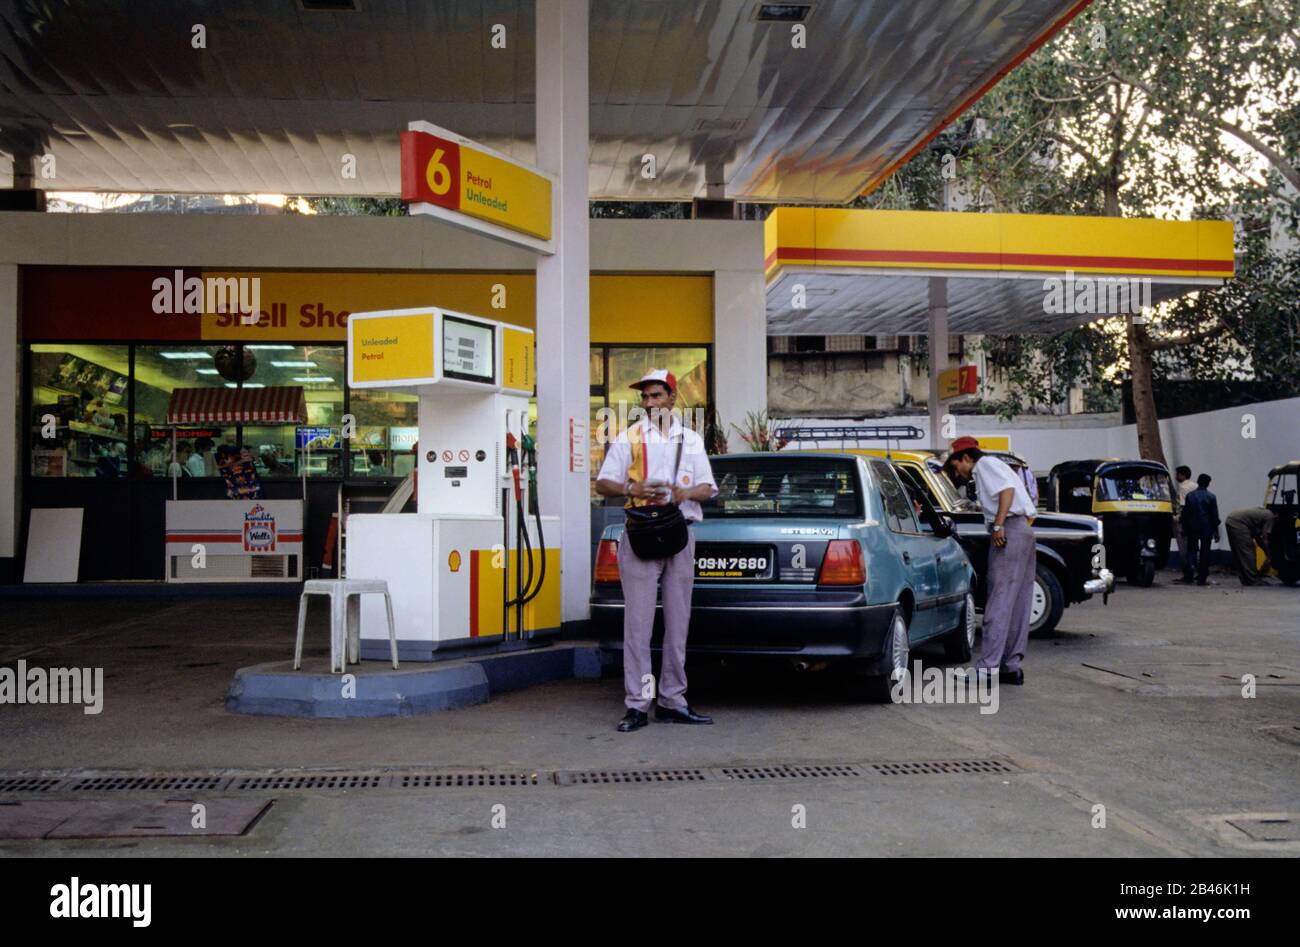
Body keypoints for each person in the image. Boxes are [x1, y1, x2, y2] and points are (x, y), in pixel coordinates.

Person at [595, 369, 718, 732]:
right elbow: (603, 484)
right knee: (637, 625)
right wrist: (633, 488)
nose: (649, 403)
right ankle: (637, 704)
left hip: (679, 534)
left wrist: (685, 494)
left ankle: (672, 700)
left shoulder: (691, 440)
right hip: (640, 534)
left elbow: (708, 488)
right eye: (645, 398)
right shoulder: (629, 437)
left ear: (672, 398)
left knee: (678, 623)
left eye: (656, 396)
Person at [947, 436, 1036, 686]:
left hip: (1009, 530)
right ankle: (1011, 666)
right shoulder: (997, 464)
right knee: (1018, 602)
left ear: (966, 457)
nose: (959, 472)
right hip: (1023, 530)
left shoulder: (983, 465)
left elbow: (1006, 492)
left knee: (998, 600)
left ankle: (987, 669)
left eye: (956, 466)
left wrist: (998, 524)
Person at [1179, 473, 1220, 585]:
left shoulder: (1190, 496)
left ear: (1198, 482)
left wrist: (1183, 528)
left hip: (1192, 527)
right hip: (1206, 528)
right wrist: (1216, 532)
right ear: (1208, 484)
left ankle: (1190, 572)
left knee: (1191, 550)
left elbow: (1185, 514)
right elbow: (1214, 516)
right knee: (1205, 552)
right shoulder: (1211, 497)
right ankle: (1202, 577)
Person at [1225, 506, 1277, 586]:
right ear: (1277, 515)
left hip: (1231, 519)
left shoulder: (1263, 513)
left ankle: (1246, 580)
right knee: (1248, 551)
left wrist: (1266, 552)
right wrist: (1269, 555)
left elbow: (1258, 538)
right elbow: (1264, 538)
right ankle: (1253, 580)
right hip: (1238, 523)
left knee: (1240, 552)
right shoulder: (1270, 517)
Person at [1171, 465, 1196, 582]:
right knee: (1193, 548)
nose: (1176, 476)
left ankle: (1187, 575)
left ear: (1183, 475)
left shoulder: (1183, 487)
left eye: (1177, 474)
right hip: (1194, 522)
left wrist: (1176, 519)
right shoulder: (1195, 485)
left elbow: (1182, 506)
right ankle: (1193, 571)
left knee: (1183, 549)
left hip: (1184, 523)